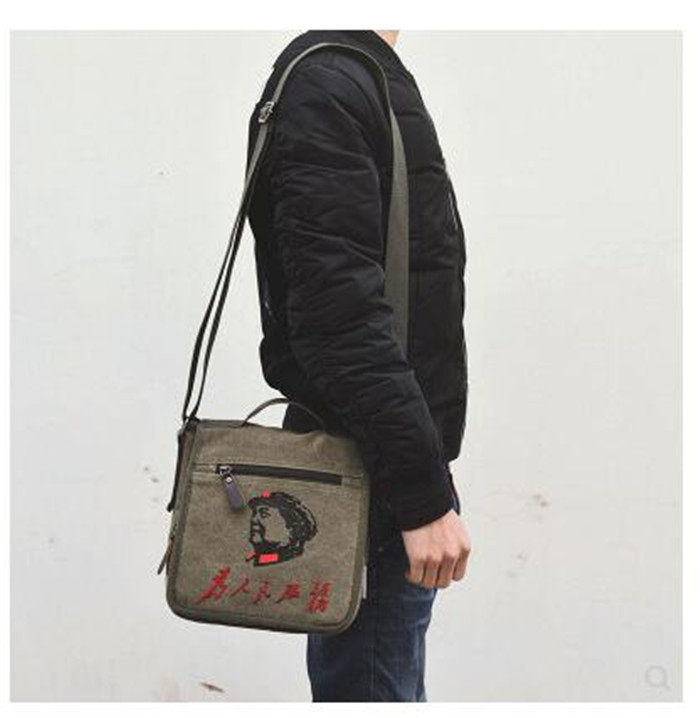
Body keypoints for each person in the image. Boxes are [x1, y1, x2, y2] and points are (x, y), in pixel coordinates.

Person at [246, 29, 471, 702]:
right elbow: (339, 322)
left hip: (386, 476)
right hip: (374, 487)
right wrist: (421, 496)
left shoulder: (360, 75)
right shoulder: (328, 86)